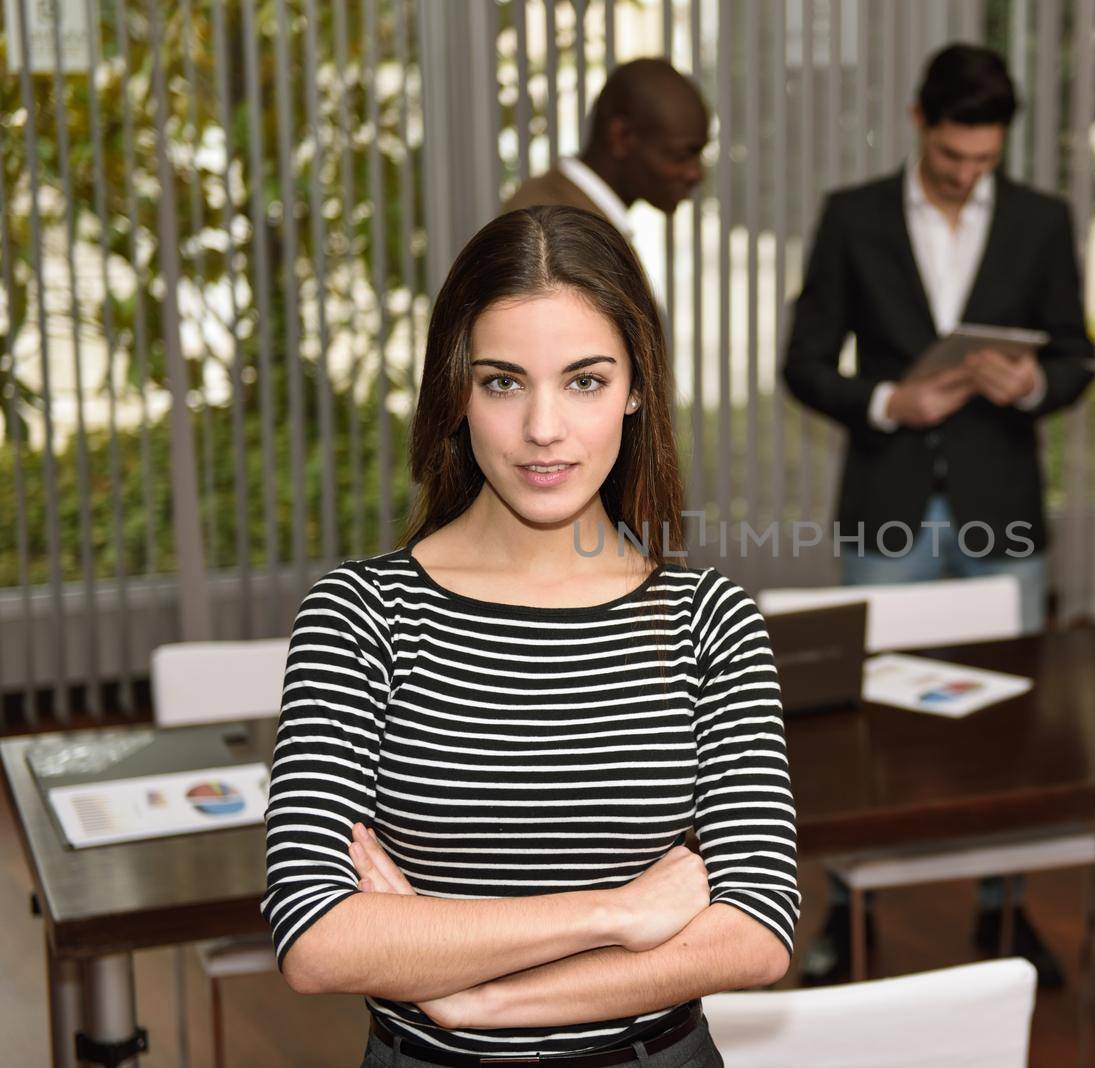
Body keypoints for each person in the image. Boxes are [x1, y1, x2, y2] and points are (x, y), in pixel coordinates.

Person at [261, 206, 799, 1067]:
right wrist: (613, 914)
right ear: (457, 394)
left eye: (584, 380)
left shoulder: (711, 619)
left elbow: (756, 927)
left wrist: (477, 1002)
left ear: (635, 391)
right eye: (504, 382)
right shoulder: (361, 614)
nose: (543, 428)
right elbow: (316, 934)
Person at [782, 43, 1095, 989]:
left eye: (984, 161)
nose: (967, 176)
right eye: (953, 156)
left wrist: (1034, 380)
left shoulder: (1042, 222)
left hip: (1001, 505)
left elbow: (1079, 357)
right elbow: (801, 362)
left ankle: (1004, 912)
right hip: (888, 502)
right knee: (861, 717)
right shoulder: (853, 216)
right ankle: (849, 914)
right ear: (921, 121)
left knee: (1011, 719)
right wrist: (888, 403)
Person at [501, 58, 709, 241]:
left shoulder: (579, 219)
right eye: (681, 156)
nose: (696, 174)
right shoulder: (552, 230)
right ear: (621, 137)